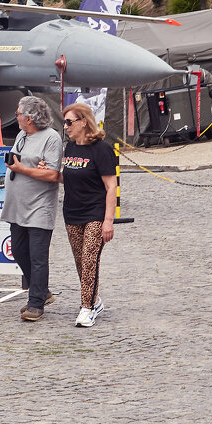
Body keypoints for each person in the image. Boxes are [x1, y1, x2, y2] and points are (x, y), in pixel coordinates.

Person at [1, 97, 62, 323]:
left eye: (18, 114)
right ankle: (42, 290)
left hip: (38, 205)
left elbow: (52, 174)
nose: (15, 117)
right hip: (17, 206)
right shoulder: (22, 135)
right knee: (18, 251)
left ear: (29, 118)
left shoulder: (51, 138)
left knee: (37, 256)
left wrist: (23, 169)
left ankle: (36, 302)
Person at [59, 103, 116, 328]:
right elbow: (69, 176)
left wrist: (108, 221)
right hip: (72, 213)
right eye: (64, 122)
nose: (66, 127)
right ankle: (95, 300)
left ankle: (87, 308)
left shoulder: (101, 150)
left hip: (95, 213)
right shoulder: (70, 149)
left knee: (90, 259)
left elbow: (111, 186)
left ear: (84, 122)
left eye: (69, 122)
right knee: (81, 263)